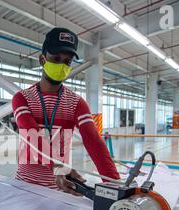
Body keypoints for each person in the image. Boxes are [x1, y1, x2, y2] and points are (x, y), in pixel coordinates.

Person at [11, 27, 119, 196]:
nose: (61, 65)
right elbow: (32, 135)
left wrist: (114, 183)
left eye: (67, 61)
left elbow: (94, 143)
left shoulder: (76, 103)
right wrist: (58, 168)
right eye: (56, 58)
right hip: (24, 187)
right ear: (42, 59)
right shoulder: (22, 98)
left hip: (59, 191)